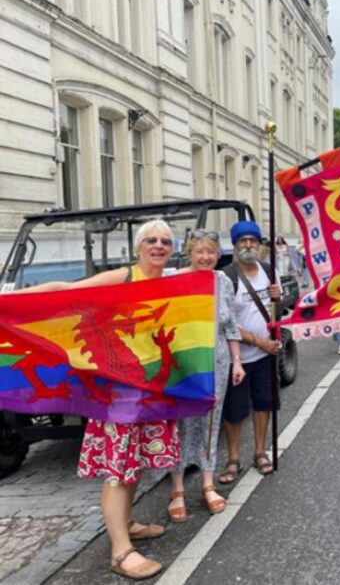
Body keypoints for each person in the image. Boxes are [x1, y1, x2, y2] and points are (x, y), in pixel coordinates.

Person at [3, 220, 178, 579]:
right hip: (116, 394)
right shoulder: (123, 278)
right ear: (139, 246)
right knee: (117, 468)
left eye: (165, 241)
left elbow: (205, 274)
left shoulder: (170, 282)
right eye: (151, 240)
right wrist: (11, 299)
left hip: (149, 393)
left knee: (135, 463)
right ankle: (120, 552)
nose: (158, 245)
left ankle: (127, 523)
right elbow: (66, 290)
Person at [167, 231, 246, 521]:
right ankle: (176, 489)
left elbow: (230, 325)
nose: (205, 257)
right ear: (189, 253)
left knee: (212, 422)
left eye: (211, 252)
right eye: (200, 251)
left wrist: (237, 361)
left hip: (218, 362)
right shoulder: (175, 280)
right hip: (184, 364)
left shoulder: (222, 281)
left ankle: (207, 484)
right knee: (180, 425)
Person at [218, 221, 283, 483]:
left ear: (259, 244)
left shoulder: (269, 271)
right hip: (238, 359)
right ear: (234, 246)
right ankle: (233, 459)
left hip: (266, 355)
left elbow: (277, 310)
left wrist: (278, 298)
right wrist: (259, 341)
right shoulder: (226, 276)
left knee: (264, 405)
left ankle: (260, 451)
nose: (248, 245)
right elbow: (226, 322)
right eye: (242, 241)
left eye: (252, 241)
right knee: (234, 411)